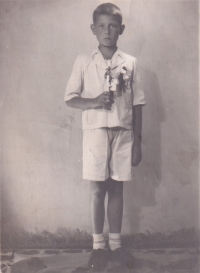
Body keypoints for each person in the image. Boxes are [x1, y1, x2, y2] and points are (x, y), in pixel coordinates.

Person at [65, 3, 145, 272]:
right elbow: (71, 99)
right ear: (93, 29)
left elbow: (137, 104)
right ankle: (98, 246)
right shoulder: (84, 61)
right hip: (96, 133)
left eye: (113, 26)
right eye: (101, 26)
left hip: (122, 134)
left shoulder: (130, 62)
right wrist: (94, 101)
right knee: (98, 189)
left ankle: (115, 245)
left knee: (117, 188)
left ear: (121, 29)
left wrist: (137, 142)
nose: (107, 31)